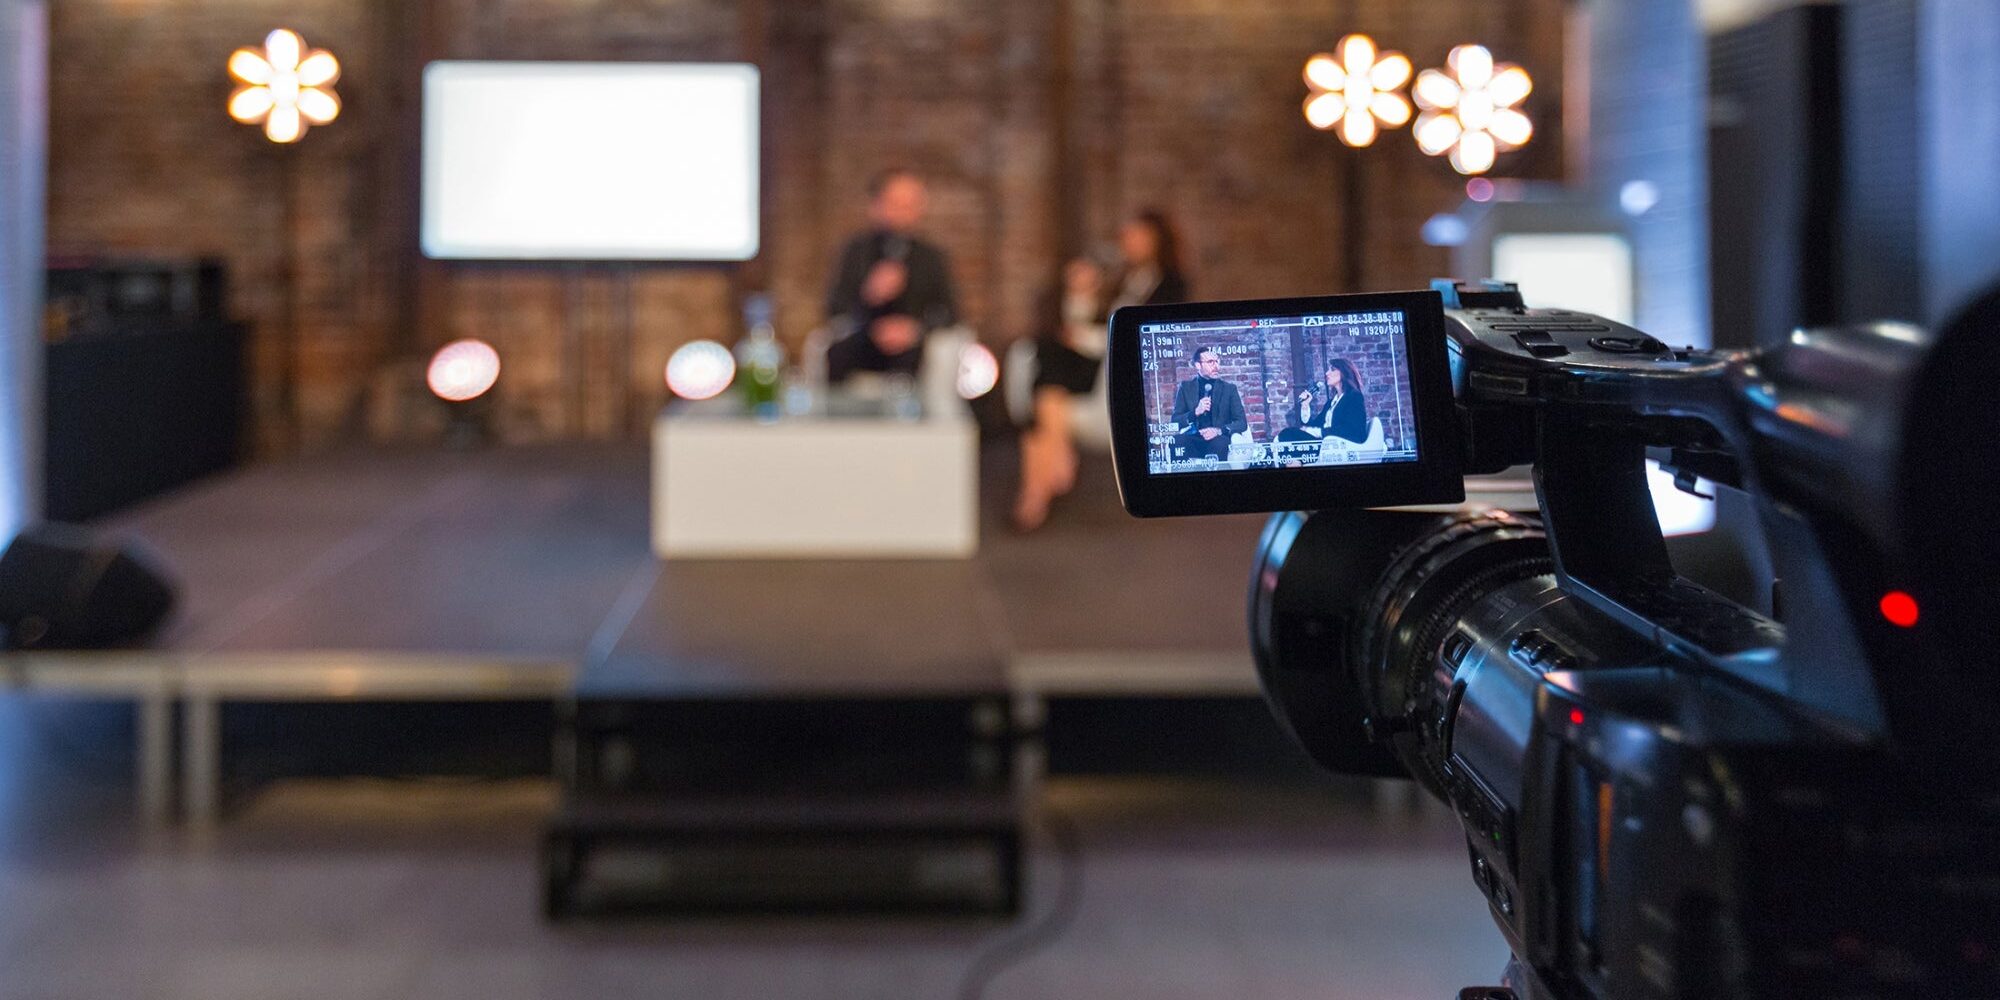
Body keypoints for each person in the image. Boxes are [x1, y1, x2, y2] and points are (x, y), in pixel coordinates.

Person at [1014, 209, 1190, 530]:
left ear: (1155, 240)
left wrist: (1084, 338)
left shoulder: (1170, 285)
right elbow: (1095, 322)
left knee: (1044, 408)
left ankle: (1034, 499)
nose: (1128, 242)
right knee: (1047, 359)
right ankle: (1050, 468)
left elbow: (1138, 336)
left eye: (1136, 236)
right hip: (1095, 363)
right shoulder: (1122, 279)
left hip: (1122, 374)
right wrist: (1080, 293)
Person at [822, 168, 960, 382]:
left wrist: (914, 329)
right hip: (863, 339)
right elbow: (835, 307)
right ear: (876, 205)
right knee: (838, 354)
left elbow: (950, 312)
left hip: (913, 346)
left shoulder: (930, 257)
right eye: (895, 203)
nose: (903, 211)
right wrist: (869, 295)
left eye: (910, 204)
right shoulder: (856, 252)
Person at [1169, 346, 1247, 462]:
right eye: (1210, 362)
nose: (1216, 366)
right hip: (1193, 438)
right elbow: (1175, 421)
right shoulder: (1186, 388)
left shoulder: (1229, 389)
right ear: (1198, 365)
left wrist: (1218, 431)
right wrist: (1195, 412)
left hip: (1218, 438)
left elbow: (1241, 423)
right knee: (1176, 441)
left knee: (1220, 443)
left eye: (1217, 362)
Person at [1276, 358, 1368, 447]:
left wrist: (1318, 432)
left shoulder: (1354, 397)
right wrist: (1305, 405)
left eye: (1332, 369)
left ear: (1344, 373)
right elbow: (1315, 425)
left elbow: (1351, 430)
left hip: (1339, 445)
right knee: (1288, 433)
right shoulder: (1331, 403)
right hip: (1325, 443)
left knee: (1288, 434)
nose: (1327, 373)